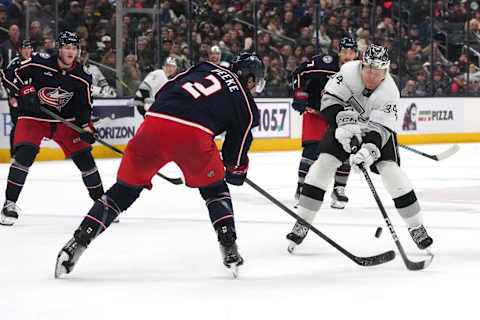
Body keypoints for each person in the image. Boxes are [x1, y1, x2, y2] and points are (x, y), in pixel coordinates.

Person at [54, 52, 266, 278]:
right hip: (194, 138)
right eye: (256, 82)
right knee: (215, 189)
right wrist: (236, 171)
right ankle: (229, 246)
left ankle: (76, 244)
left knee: (121, 193)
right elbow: (235, 156)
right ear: (250, 79)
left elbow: (166, 90)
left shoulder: (205, 67)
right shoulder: (246, 102)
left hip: (154, 122)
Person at [286, 44, 433, 253]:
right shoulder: (347, 72)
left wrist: (368, 151)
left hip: (375, 130)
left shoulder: (390, 92)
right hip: (344, 122)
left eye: (379, 71)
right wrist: (341, 121)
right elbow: (328, 99)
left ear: (386, 70)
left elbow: (381, 130)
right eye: (369, 70)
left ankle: (416, 226)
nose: (373, 76)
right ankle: (302, 221)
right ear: (362, 66)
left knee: (392, 172)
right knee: (323, 165)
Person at [0, 31, 104, 226]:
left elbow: (83, 107)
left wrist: (85, 127)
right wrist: (24, 90)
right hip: (34, 117)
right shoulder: (40, 62)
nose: (70, 52)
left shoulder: (82, 77)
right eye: (67, 48)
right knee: (25, 155)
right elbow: (9, 73)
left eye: (74, 48)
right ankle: (9, 204)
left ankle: (102, 203)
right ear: (59, 48)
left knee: (85, 159)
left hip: (64, 120)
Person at [291, 37, 357, 209]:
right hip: (316, 114)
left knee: (344, 151)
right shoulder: (324, 63)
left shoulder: (359, 72)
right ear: (339, 51)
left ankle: (339, 190)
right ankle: (301, 189)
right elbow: (300, 72)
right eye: (345, 52)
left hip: (340, 118)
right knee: (311, 152)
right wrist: (300, 95)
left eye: (351, 52)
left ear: (356, 54)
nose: (348, 56)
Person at [1, 39, 33, 157]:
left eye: (28, 48)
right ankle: (14, 153)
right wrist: (12, 96)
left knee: (32, 126)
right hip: (18, 99)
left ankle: (27, 151)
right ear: (19, 50)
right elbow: (6, 79)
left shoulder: (35, 62)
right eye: (24, 48)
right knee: (18, 125)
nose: (26, 51)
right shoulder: (14, 63)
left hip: (32, 99)